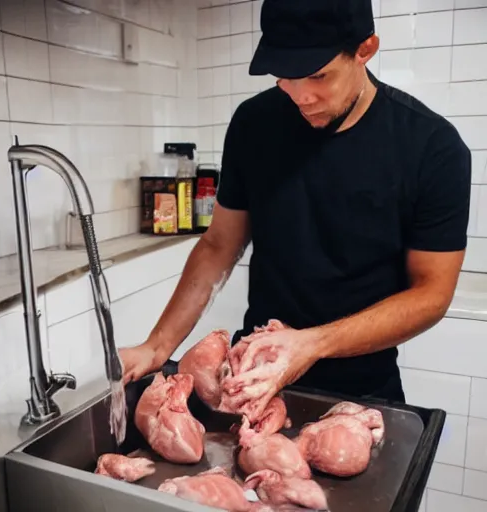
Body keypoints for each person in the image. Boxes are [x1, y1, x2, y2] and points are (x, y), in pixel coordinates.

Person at [119, 0, 471, 405]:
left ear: (365, 49)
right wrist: (157, 346)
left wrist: (310, 345)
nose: (302, 96)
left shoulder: (432, 147)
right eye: (285, 77)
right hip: (253, 373)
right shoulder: (253, 124)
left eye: (319, 76)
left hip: (362, 390)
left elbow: (431, 294)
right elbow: (219, 244)